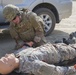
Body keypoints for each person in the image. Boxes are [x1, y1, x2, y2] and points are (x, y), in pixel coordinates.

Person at [0, 43, 76, 75]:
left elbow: (24, 49)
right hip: (62, 53)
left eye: (3, 56)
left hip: (53, 46)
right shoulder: (31, 65)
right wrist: (72, 69)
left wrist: (26, 45)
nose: (6, 55)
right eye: (5, 59)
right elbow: (54, 71)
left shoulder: (16, 55)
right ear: (10, 65)